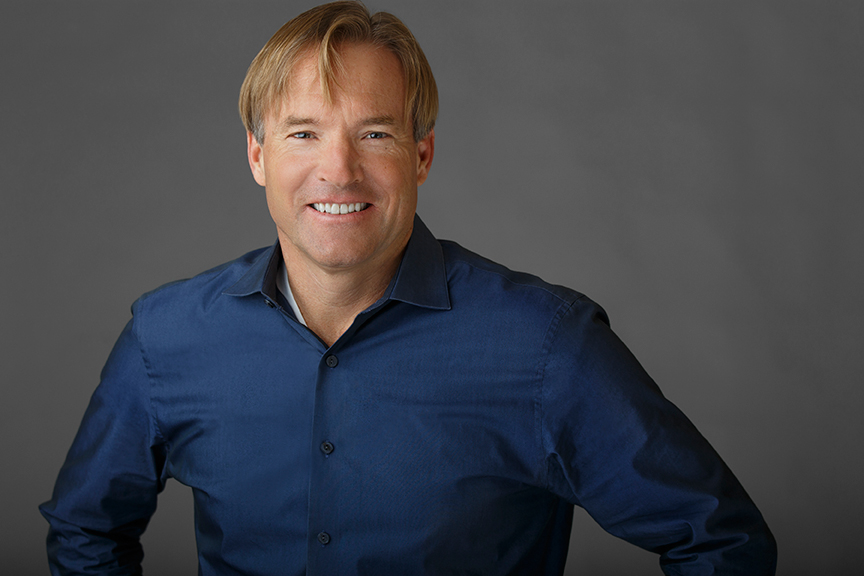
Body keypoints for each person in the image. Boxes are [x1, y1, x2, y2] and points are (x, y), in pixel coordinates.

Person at [40, 1, 777, 574]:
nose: (338, 170)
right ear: (257, 155)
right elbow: (86, 531)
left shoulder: (547, 344)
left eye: (374, 134)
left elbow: (719, 540)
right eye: (303, 133)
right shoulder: (165, 337)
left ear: (420, 155)